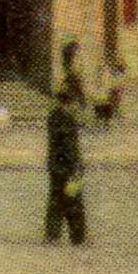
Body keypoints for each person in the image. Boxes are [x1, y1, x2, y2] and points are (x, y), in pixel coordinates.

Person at [43, 84, 88, 245]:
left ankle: (52, 235)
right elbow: (69, 146)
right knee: (73, 201)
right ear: (70, 102)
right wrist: (77, 166)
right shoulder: (66, 118)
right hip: (67, 167)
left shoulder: (54, 115)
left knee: (56, 200)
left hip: (56, 166)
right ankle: (77, 237)